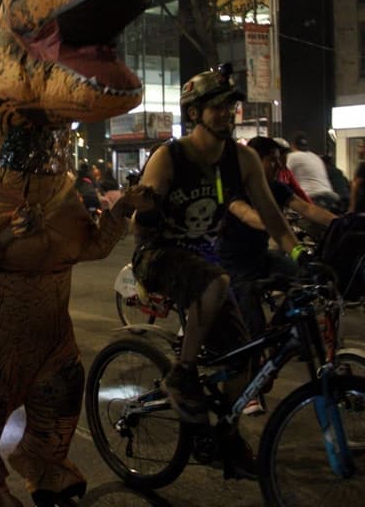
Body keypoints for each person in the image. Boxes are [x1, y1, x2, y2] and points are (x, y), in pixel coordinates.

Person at [133, 66, 302, 477]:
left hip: (203, 261)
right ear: (194, 114)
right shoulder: (170, 156)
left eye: (232, 105)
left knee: (244, 361)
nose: (229, 113)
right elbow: (141, 214)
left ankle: (222, 439)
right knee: (217, 280)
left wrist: (300, 257)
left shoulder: (241, 159)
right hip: (158, 255)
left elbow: (274, 220)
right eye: (218, 107)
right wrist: (146, 202)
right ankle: (182, 374)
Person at [219, 136, 335, 340]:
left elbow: (307, 208)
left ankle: (280, 326)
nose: (278, 165)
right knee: (254, 328)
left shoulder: (276, 187)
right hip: (234, 265)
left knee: (308, 275)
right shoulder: (234, 187)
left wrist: (340, 221)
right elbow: (245, 214)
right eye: (271, 160)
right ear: (254, 161)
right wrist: (275, 223)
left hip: (261, 256)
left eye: (279, 160)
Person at [287, 132, 337, 210]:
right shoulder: (316, 157)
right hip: (330, 197)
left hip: (312, 197)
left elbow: (283, 175)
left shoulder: (292, 157)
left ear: (292, 145)